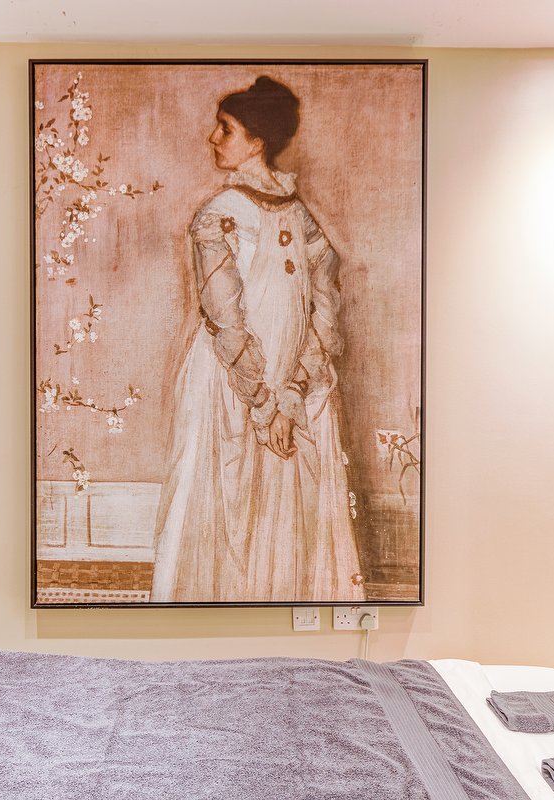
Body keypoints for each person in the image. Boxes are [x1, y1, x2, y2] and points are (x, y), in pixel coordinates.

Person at [150, 76, 366, 603]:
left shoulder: (301, 218)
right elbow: (224, 318)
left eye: (225, 128)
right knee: (223, 509)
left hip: (293, 385)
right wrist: (265, 405)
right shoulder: (217, 215)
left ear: (256, 141)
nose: (213, 137)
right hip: (229, 383)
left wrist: (291, 397)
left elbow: (323, 312)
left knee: (284, 514)